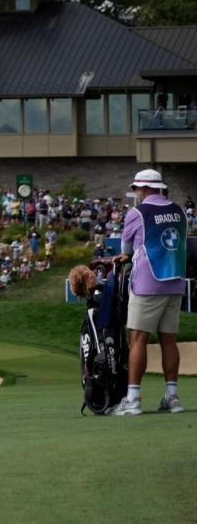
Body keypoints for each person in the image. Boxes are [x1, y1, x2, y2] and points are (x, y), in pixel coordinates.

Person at [111, 168, 187, 416]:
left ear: (142, 189)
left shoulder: (138, 212)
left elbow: (126, 247)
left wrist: (128, 254)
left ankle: (133, 399)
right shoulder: (179, 211)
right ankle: (172, 397)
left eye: (136, 189)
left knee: (138, 339)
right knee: (169, 341)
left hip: (148, 282)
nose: (136, 193)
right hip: (175, 280)